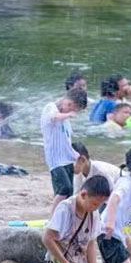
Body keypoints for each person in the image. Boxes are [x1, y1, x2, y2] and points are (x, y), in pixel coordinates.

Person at [42, 88, 89, 216]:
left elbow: (65, 140)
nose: (72, 112)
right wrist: (68, 115)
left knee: (69, 192)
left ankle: (64, 216)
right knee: (64, 188)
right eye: (74, 109)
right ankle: (53, 218)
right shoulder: (50, 108)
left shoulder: (65, 119)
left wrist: (75, 154)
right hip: (55, 159)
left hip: (67, 158)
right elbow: (52, 117)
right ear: (69, 103)